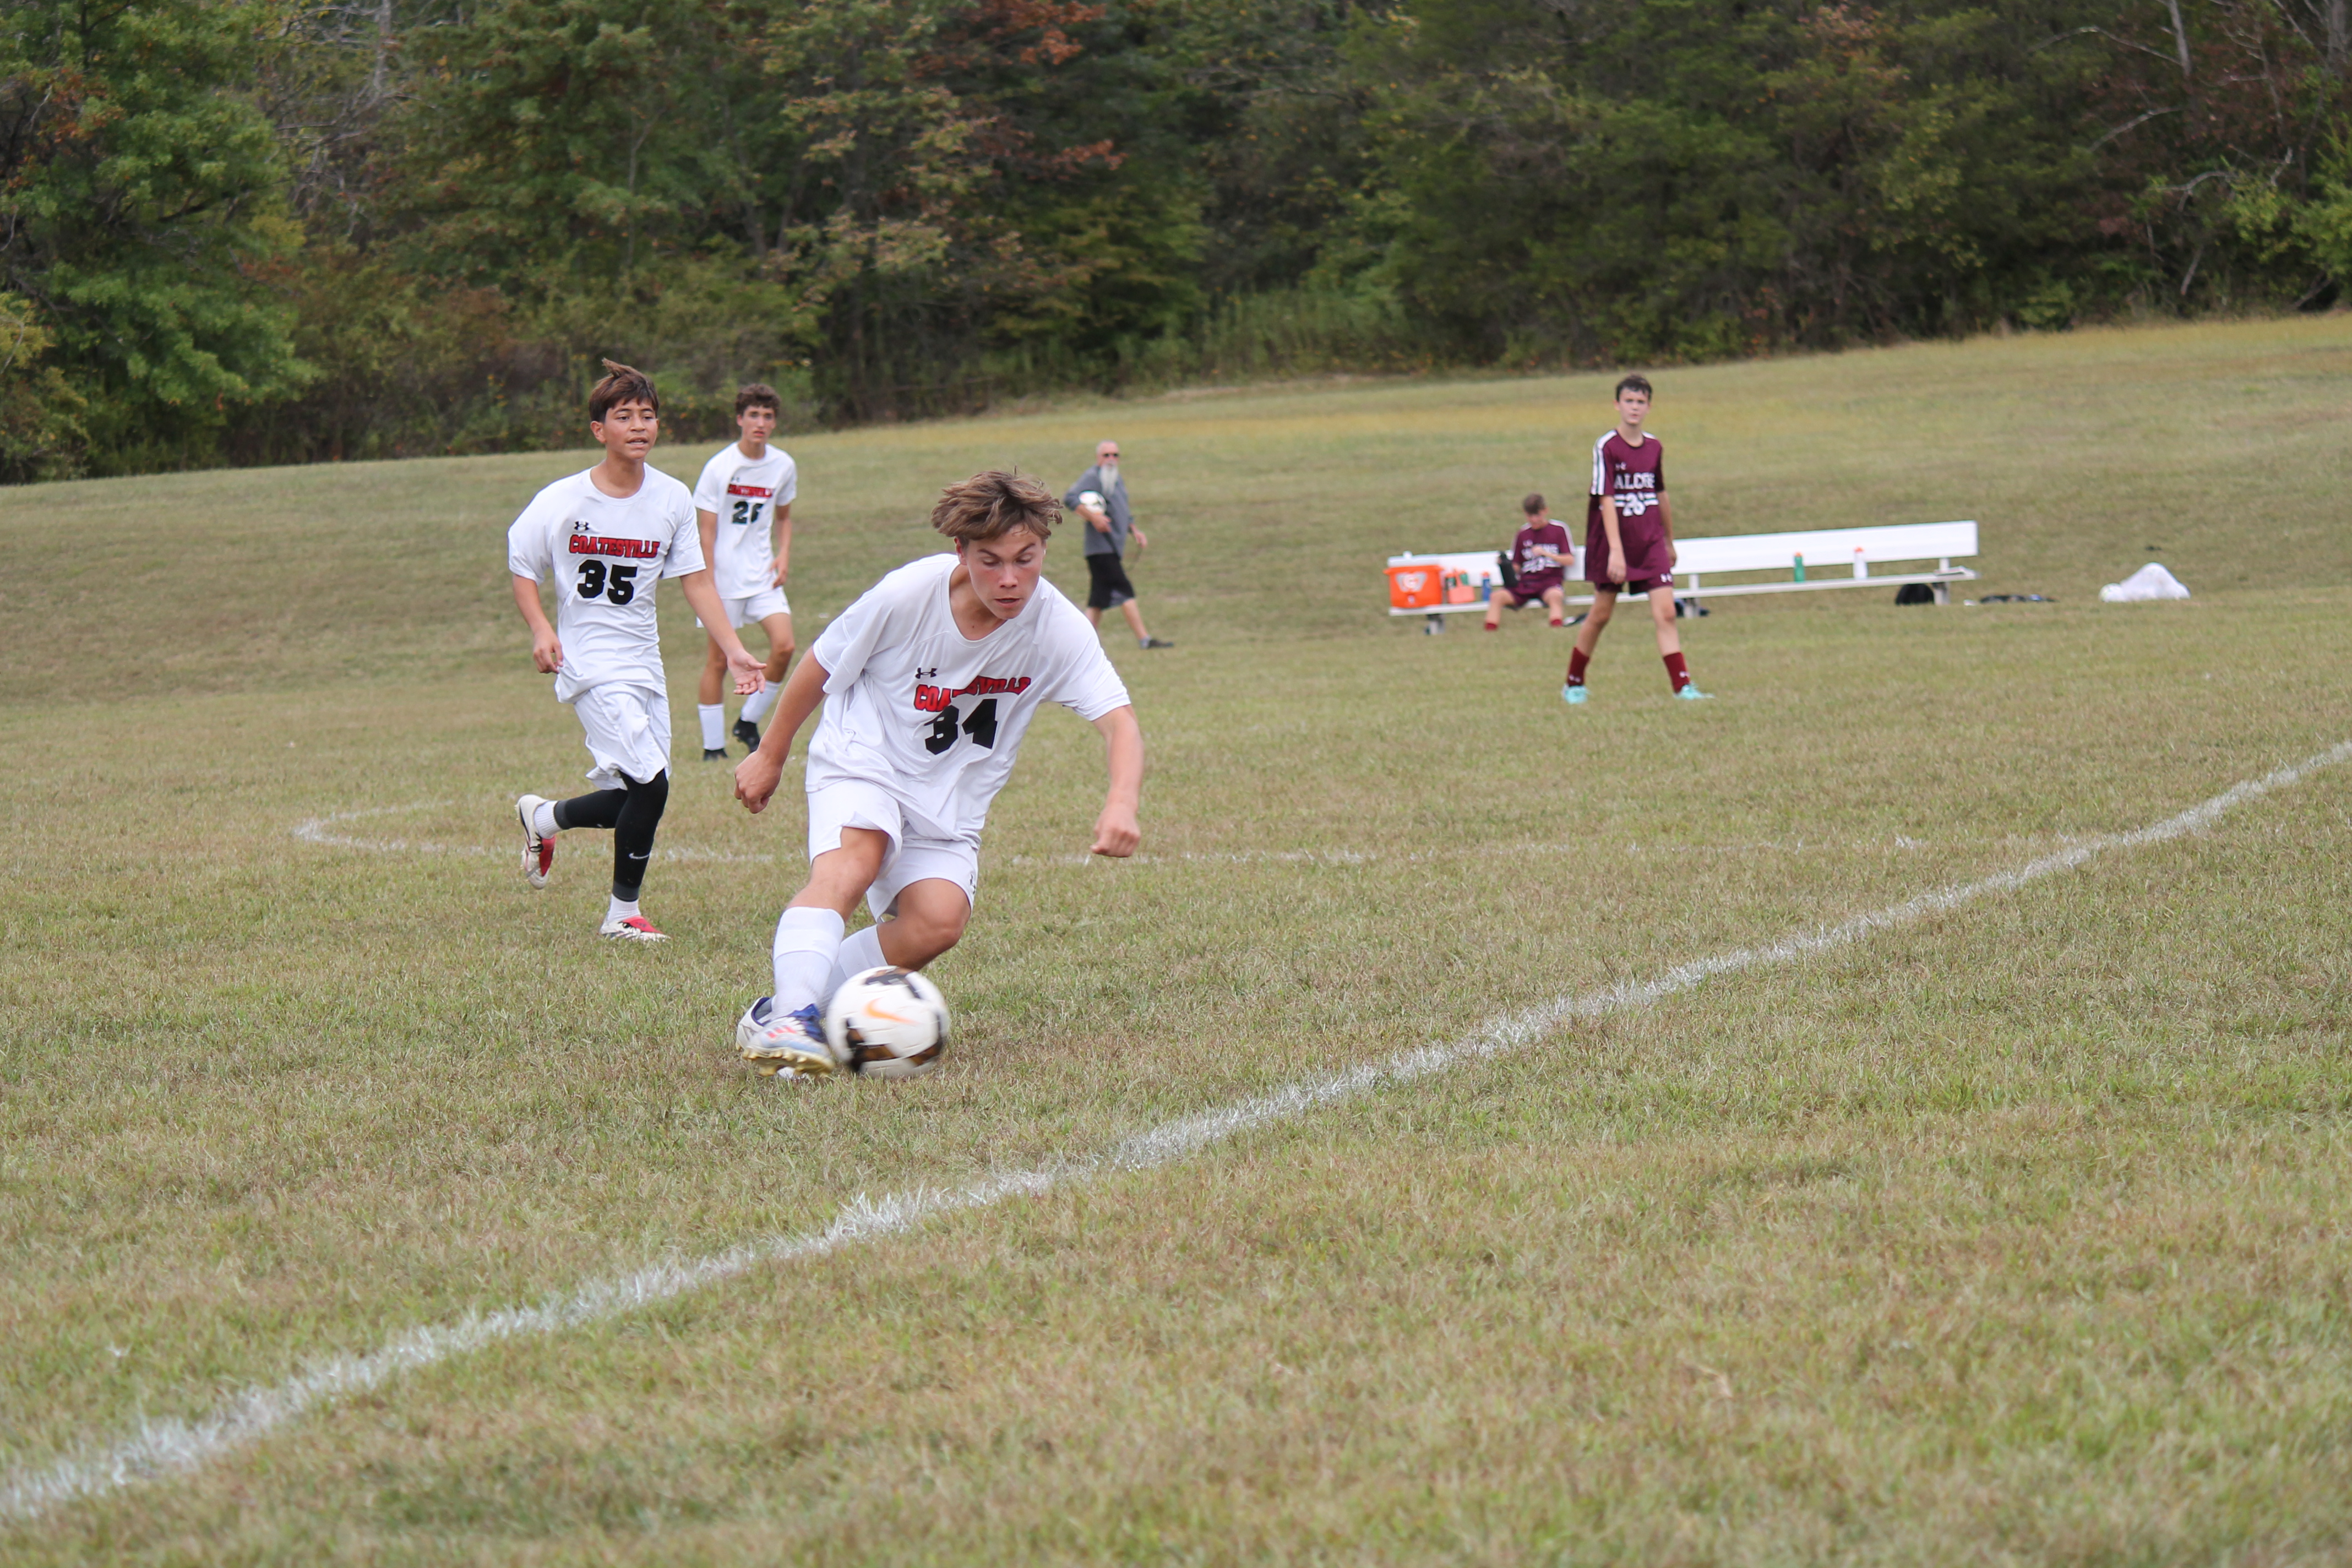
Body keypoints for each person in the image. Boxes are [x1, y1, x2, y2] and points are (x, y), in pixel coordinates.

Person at [730, 470, 1145, 1081]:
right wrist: (771, 753)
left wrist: (1122, 801)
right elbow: (821, 662)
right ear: (962, 552)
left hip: (949, 799)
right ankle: (794, 1019)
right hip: (864, 758)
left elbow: (1121, 724)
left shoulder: (1057, 627)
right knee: (852, 864)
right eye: (991, 561)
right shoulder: (909, 594)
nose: (1010, 579)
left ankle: (783, 1010)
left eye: (1026, 559)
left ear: (1043, 550)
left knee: (938, 922)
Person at [507, 360, 767, 942]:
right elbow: (523, 564)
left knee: (637, 794)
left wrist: (734, 649)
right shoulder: (563, 499)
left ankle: (543, 817)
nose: (638, 426)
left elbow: (696, 580)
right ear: (599, 430)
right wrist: (541, 629)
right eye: (623, 416)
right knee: (651, 786)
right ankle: (622, 915)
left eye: (647, 415)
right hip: (589, 662)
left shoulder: (672, 497)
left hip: (644, 662)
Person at [1563, 374, 1711, 704]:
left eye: (1641, 402)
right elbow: (1605, 499)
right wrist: (1616, 551)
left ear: (1649, 407)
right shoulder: (1607, 446)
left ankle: (1683, 687)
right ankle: (1574, 682)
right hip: (1614, 544)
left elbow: (1661, 494)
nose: (1634, 408)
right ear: (1617, 405)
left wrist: (1669, 541)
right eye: (1629, 401)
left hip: (1650, 541)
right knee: (1601, 614)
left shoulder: (1654, 447)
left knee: (1666, 613)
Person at [690, 383, 798, 760]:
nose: (760, 423)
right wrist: (707, 581)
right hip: (723, 579)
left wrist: (784, 554)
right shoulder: (720, 467)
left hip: (762, 574)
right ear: (740, 419)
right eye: (753, 415)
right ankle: (713, 749)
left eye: (768, 416)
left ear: (775, 423)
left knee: (785, 646)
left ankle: (748, 722)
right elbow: (706, 531)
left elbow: (783, 517)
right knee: (719, 661)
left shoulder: (783, 465)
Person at [1064, 439, 1172, 650]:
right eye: (1107, 455)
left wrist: (1134, 530)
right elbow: (1070, 498)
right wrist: (1094, 518)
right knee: (1125, 590)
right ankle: (1145, 640)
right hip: (1100, 549)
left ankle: (1078, 645)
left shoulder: (1116, 479)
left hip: (1112, 548)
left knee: (1097, 601)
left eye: (1115, 455)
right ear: (1098, 458)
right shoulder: (1094, 477)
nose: (1111, 459)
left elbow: (1121, 510)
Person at [1483, 493, 1572, 630]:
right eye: (1530, 516)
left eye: (1538, 516)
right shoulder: (1523, 534)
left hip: (1550, 582)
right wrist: (1505, 565)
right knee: (1497, 597)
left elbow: (1569, 560)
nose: (1534, 520)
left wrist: (1546, 554)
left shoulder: (1559, 530)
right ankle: (1490, 631)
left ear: (1546, 511)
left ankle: (1556, 628)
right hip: (1526, 583)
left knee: (1556, 596)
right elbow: (1517, 565)